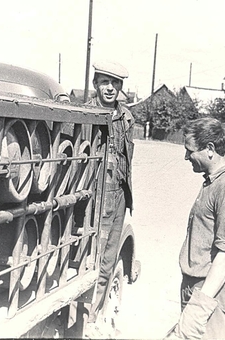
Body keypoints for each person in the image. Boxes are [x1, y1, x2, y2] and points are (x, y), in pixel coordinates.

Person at [171, 118, 225, 339]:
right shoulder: (213, 182)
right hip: (198, 288)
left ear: (209, 149)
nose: (186, 157)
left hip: (211, 293)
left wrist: (199, 308)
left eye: (190, 150)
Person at [85, 60, 134, 338]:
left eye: (115, 83)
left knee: (109, 259)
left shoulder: (126, 117)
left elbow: (127, 160)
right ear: (95, 84)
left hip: (119, 197)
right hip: (95, 200)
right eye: (105, 82)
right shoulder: (83, 114)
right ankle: (88, 316)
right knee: (93, 258)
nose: (110, 88)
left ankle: (98, 315)